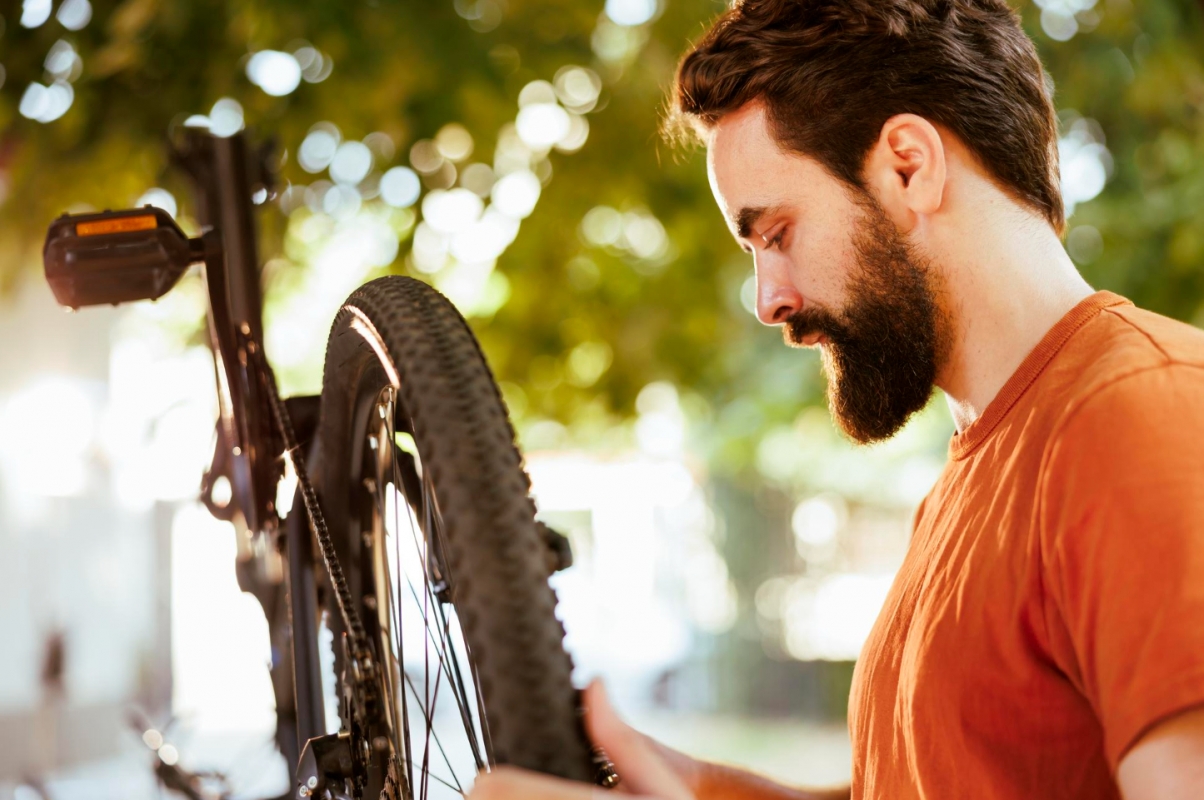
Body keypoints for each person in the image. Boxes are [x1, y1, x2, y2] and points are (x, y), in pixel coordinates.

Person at [470, 0, 1204, 797]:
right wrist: (692, 785)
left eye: (777, 234)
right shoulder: (980, 471)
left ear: (908, 166)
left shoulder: (1142, 416)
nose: (769, 302)